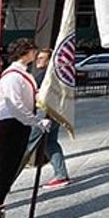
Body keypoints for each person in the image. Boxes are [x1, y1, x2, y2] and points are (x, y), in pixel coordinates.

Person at [0, 39, 52, 218]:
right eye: (33, 51)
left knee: (9, 172)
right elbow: (15, 105)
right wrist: (35, 121)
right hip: (10, 125)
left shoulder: (22, 74)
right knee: (2, 173)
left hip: (18, 125)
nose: (35, 54)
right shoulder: (12, 76)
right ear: (26, 52)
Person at [30, 47, 70, 189]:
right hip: (54, 113)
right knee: (50, 143)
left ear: (49, 61)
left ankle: (5, 181)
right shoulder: (56, 75)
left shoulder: (44, 76)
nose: (37, 61)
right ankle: (61, 174)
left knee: (28, 145)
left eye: (41, 58)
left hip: (43, 113)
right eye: (37, 58)